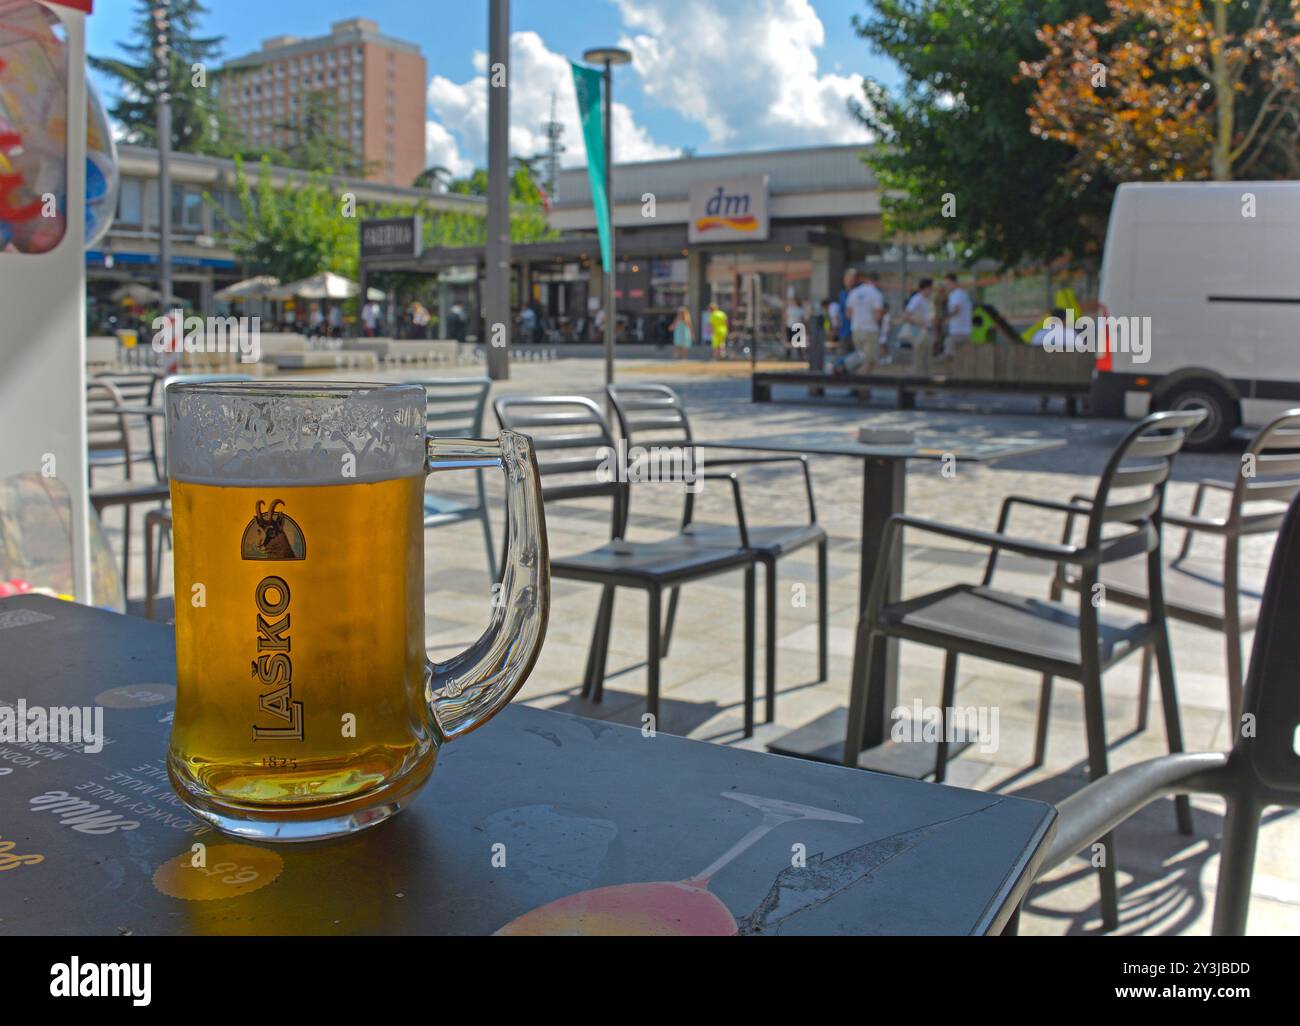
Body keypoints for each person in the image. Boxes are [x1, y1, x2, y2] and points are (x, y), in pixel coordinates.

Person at [845, 271, 885, 374]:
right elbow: (878, 315)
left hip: (856, 330)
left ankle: (862, 387)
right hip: (870, 330)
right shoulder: (876, 294)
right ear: (876, 281)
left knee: (860, 359)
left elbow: (848, 314)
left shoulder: (854, 292)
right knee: (870, 362)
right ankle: (858, 385)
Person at [899, 278, 934, 372]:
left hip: (924, 332)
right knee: (920, 360)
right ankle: (917, 381)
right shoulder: (917, 299)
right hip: (920, 332)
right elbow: (905, 316)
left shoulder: (924, 300)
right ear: (926, 288)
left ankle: (924, 381)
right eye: (931, 288)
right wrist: (920, 323)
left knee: (925, 360)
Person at [942, 273, 973, 366]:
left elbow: (957, 309)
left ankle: (949, 369)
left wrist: (946, 317)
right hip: (960, 329)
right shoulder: (955, 294)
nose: (947, 286)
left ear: (953, 282)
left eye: (947, 284)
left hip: (960, 330)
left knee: (949, 345)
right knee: (958, 351)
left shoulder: (957, 294)